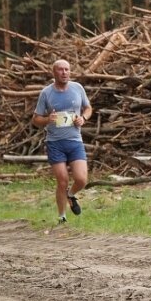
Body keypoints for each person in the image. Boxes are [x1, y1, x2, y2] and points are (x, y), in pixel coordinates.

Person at [32, 59, 92, 224]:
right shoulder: (46, 93)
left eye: (67, 69)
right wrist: (47, 120)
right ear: (54, 72)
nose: (64, 72)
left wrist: (83, 118)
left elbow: (88, 108)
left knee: (81, 179)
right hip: (55, 143)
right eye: (61, 70)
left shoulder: (77, 88)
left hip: (75, 141)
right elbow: (35, 119)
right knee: (62, 180)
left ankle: (70, 195)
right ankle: (62, 217)